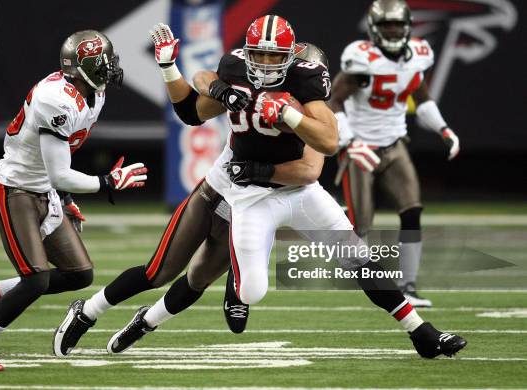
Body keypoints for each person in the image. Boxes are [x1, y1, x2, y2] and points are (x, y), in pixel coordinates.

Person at [71, 17, 466, 360]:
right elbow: (200, 94)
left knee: (357, 257)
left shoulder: (308, 88)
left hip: (293, 192)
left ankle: (421, 332)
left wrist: (288, 115)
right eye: (258, 55)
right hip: (247, 195)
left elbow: (316, 160)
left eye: (275, 57)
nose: (264, 64)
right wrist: (205, 83)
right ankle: (231, 278)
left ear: (299, 65)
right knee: (246, 290)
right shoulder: (237, 69)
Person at [51, 34, 326, 356]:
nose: (270, 70)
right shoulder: (247, 88)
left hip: (254, 207)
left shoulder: (315, 118)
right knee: (159, 271)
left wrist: (259, 170)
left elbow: (309, 169)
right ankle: (86, 312)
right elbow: (191, 110)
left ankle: (146, 322)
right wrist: (177, 70)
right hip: (217, 193)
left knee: (197, 280)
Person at [0, 30, 148, 371]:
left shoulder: (93, 94)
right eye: (105, 61)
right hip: (14, 190)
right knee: (35, 278)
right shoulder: (55, 99)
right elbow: (59, 172)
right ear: (85, 67)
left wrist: (65, 197)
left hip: (44, 189)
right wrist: (107, 182)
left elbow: (60, 160)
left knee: (79, 274)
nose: (112, 67)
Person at [328, 0, 460, 307]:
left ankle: (408, 285)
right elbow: (334, 102)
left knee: (411, 210)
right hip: (360, 148)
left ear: (407, 27)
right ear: (374, 28)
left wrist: (444, 129)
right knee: (361, 224)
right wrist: (349, 142)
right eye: (386, 25)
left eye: (397, 25)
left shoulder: (417, 57)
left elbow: (422, 99)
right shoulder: (362, 60)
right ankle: (352, 265)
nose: (392, 30)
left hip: (394, 143)